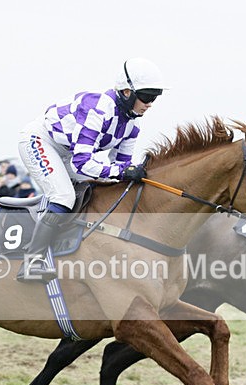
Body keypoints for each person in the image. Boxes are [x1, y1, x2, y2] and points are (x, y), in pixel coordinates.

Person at [15, 57, 167, 282]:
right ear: (127, 92)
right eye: (146, 97)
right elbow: (82, 163)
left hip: (68, 153)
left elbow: (121, 167)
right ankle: (31, 263)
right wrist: (121, 172)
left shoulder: (133, 124)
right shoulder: (97, 109)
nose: (150, 104)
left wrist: (132, 173)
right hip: (39, 141)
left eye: (154, 98)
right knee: (64, 197)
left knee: (101, 190)